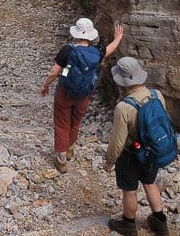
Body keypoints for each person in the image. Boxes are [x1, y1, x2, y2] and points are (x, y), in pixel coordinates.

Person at [40, 18, 124, 173]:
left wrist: (45, 86)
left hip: (65, 93)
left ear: (76, 34)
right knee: (75, 122)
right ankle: (70, 148)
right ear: (91, 35)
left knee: (61, 123)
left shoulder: (68, 50)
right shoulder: (97, 52)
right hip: (84, 96)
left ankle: (62, 158)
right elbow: (109, 49)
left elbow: (54, 72)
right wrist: (118, 37)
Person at [103, 56, 169, 236]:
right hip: (153, 151)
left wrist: (109, 161)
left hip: (132, 155)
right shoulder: (157, 95)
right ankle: (160, 222)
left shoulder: (124, 107)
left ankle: (129, 225)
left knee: (130, 190)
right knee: (149, 182)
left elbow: (118, 141)